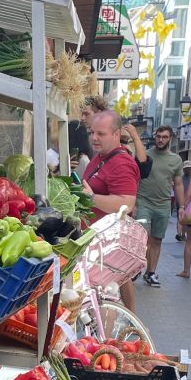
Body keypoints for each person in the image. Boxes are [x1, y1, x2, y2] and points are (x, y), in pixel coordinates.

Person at [82, 110, 139, 312]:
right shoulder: (101, 156)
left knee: (108, 295)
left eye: (101, 134)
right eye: (92, 132)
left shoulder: (121, 163)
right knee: (115, 284)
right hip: (100, 241)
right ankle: (126, 325)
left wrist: (91, 199)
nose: (94, 138)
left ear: (116, 134)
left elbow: (126, 203)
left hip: (108, 244)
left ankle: (107, 340)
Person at [134, 125, 184, 287]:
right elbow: (134, 179)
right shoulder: (145, 155)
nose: (161, 139)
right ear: (155, 137)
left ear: (170, 139)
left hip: (163, 205)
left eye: (165, 137)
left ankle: (151, 273)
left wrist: (181, 206)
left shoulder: (176, 160)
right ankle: (136, 270)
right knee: (143, 238)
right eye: (158, 136)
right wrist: (133, 202)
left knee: (157, 240)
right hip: (143, 202)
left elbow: (178, 185)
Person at [177, 160, 191, 241]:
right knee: (180, 218)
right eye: (185, 168)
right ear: (183, 169)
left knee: (186, 220)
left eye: (188, 168)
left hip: (190, 201)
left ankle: (183, 234)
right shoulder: (181, 178)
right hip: (181, 200)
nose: (187, 170)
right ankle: (179, 234)